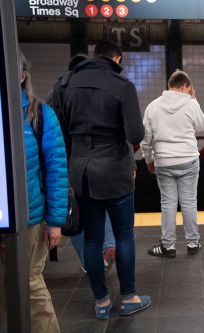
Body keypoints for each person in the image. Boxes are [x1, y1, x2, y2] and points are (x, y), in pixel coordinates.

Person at [61, 40, 150, 319]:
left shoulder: (65, 85)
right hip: (115, 172)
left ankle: (100, 302)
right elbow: (135, 135)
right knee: (123, 235)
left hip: (81, 173)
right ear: (117, 59)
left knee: (92, 239)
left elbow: (60, 131)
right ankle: (128, 298)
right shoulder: (122, 86)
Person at [48, 53, 116, 274]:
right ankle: (108, 244)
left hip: (64, 161)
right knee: (100, 201)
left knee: (72, 210)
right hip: (94, 158)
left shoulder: (56, 93)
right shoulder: (92, 89)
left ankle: (89, 261)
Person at [20, 51, 68, 332]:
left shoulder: (39, 115)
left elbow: (56, 168)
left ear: (22, 75)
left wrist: (55, 221)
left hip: (29, 218)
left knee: (30, 283)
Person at [141, 70, 204, 258]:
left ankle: (168, 246)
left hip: (164, 161)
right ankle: (193, 242)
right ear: (184, 86)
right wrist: (194, 101)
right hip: (188, 159)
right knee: (189, 202)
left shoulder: (153, 106)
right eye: (190, 89)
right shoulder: (189, 103)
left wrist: (149, 160)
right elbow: (202, 125)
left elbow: (146, 140)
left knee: (168, 203)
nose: (190, 92)